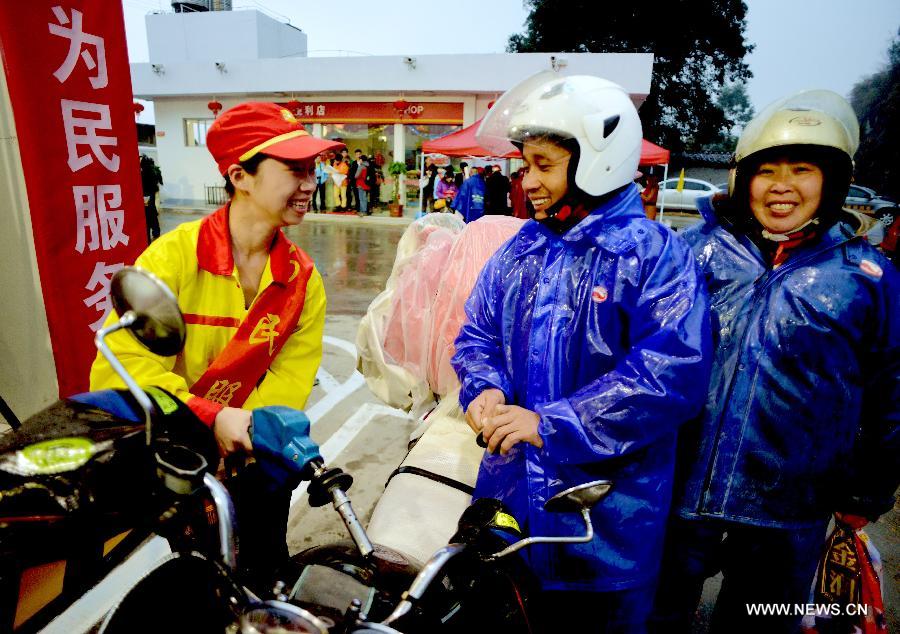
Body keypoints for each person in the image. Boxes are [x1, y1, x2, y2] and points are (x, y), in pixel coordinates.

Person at [451, 73, 711, 633]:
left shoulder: (655, 257)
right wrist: (484, 387)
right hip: (513, 504)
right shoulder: (520, 249)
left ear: (599, 160)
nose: (528, 181)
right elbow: (478, 334)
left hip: (609, 522)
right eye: (526, 165)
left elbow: (670, 377)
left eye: (543, 164)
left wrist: (550, 423)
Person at [649, 90, 900, 633]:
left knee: (760, 624)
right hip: (679, 493)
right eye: (768, 170)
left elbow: (891, 389)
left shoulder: (866, 276)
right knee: (655, 618)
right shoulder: (691, 253)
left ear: (831, 181)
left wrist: (871, 487)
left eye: (803, 169)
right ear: (744, 179)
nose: (783, 185)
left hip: (789, 509)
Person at [90, 102, 342, 582]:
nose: (310, 182)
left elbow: (290, 381)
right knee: (199, 577)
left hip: (255, 454)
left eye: (312, 169)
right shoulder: (173, 257)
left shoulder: (303, 280)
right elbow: (117, 370)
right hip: (176, 453)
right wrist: (209, 420)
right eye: (294, 169)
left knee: (266, 566)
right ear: (240, 176)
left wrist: (243, 435)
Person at [140, 154, 163, 242]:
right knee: (153, 214)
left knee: (148, 216)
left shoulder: (143, 173)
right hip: (152, 195)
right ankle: (156, 232)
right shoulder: (153, 171)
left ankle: (148, 237)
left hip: (146, 197)